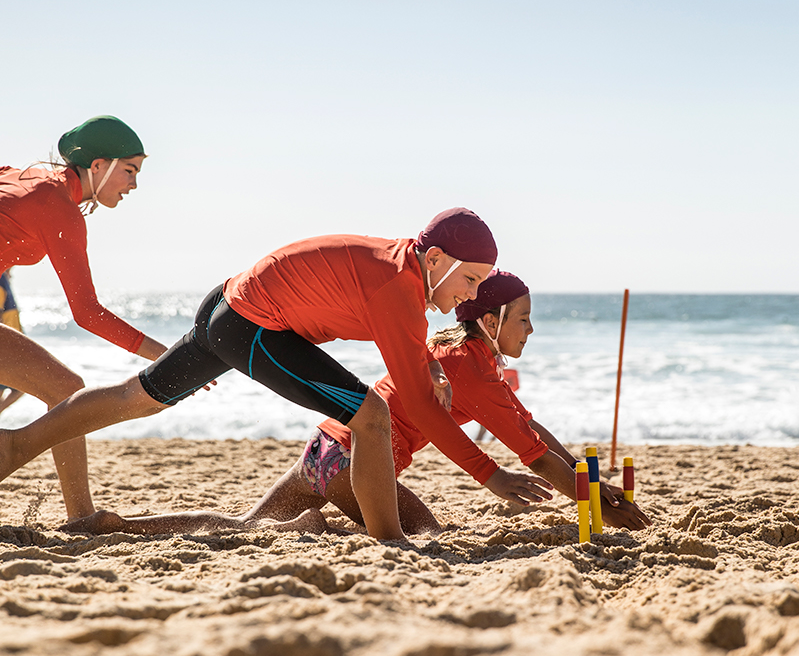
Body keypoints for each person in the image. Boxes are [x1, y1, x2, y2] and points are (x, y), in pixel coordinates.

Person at [0, 209, 554, 540]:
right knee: (370, 414)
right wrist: (492, 477)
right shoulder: (398, 287)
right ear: (435, 261)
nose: (473, 295)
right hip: (254, 324)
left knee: (137, 396)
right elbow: (421, 405)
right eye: (472, 279)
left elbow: (413, 361)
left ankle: (16, 446)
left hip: (229, 304)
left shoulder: (400, 270)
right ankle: (392, 544)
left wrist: (430, 366)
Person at [67, 271, 650, 539]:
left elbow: (534, 429)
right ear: (491, 321)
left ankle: (121, 525)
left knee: (246, 527)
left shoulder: (457, 351)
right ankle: (312, 520)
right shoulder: (475, 371)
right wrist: (599, 500)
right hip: (358, 466)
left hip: (325, 447)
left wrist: (591, 483)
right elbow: (535, 457)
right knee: (428, 534)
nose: (532, 330)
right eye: (525, 319)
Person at [0, 117, 168, 518]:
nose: (134, 184)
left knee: (64, 389)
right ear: (98, 165)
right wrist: (167, 355)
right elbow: (88, 313)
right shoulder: (56, 205)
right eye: (130, 170)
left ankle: (81, 516)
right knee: (66, 390)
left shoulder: (29, 180)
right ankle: (81, 516)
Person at [0, 272, 26, 415]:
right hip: (7, 343)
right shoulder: (1, 278)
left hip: (14, 341)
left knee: (22, 384)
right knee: (25, 382)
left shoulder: (4, 278)